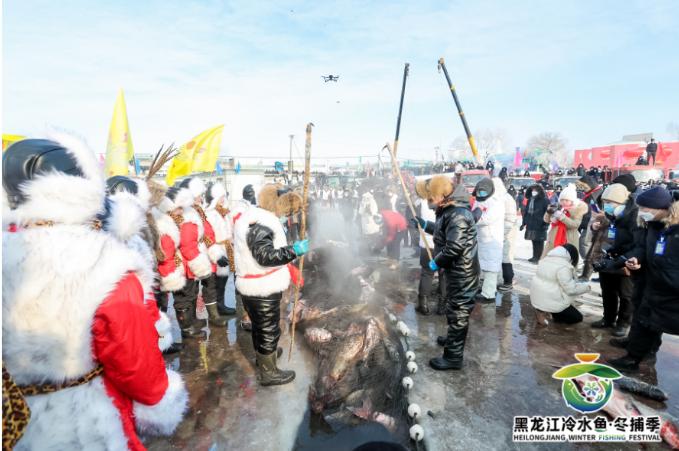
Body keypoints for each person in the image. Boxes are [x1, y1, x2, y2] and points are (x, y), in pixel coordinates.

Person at [2, 136, 188, 450]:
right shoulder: (105, 261)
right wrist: (160, 400)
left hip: (13, 418)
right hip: (85, 421)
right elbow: (133, 359)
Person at [233, 184, 308, 386]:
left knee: (262, 327)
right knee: (267, 329)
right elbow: (265, 256)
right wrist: (294, 251)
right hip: (261, 287)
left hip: (257, 284)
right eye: (287, 211)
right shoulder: (261, 223)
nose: (287, 216)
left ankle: (266, 355)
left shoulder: (256, 217)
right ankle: (269, 372)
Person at [608, 187, 679, 371]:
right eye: (640, 208)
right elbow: (642, 248)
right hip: (651, 283)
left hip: (671, 289)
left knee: (652, 323)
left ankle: (639, 355)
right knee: (644, 320)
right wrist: (636, 260)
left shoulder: (675, 230)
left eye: (646, 209)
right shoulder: (652, 226)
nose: (641, 213)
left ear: (662, 208)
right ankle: (634, 354)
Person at [414, 176, 480, 370]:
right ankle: (453, 339)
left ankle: (453, 357)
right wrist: (425, 224)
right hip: (456, 270)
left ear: (442, 196)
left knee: (459, 313)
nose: (428, 203)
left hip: (463, 273)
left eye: (430, 199)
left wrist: (436, 262)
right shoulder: (450, 210)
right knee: (454, 308)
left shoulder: (458, 214)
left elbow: (454, 247)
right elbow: (443, 232)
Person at [178, 178, 228, 328]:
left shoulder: (198, 211)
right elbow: (187, 241)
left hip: (203, 255)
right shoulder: (186, 214)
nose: (201, 197)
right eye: (198, 194)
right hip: (191, 259)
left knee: (209, 287)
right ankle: (190, 324)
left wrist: (216, 254)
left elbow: (206, 234)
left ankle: (212, 316)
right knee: (189, 292)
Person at [590, 184, 637, 337]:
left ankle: (623, 323)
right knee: (608, 291)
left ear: (621, 202)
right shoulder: (609, 216)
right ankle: (608, 319)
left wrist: (623, 257)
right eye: (605, 202)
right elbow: (600, 234)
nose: (607, 206)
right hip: (607, 258)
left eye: (611, 203)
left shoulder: (634, 216)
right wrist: (594, 227)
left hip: (626, 261)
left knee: (626, 295)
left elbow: (637, 242)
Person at [530, 244, 590, 324]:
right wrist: (587, 288)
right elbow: (571, 290)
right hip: (550, 299)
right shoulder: (564, 267)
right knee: (577, 318)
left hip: (537, 298)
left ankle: (542, 310)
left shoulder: (545, 259)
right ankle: (547, 312)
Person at [205, 182, 238, 316]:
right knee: (214, 284)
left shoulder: (223, 213)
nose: (223, 199)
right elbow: (207, 237)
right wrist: (216, 254)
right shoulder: (209, 214)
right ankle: (217, 308)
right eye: (220, 197)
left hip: (226, 248)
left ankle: (221, 305)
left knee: (223, 281)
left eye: (223, 196)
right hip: (216, 251)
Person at [472, 178, 505, 301]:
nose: (481, 194)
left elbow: (486, 219)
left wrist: (474, 218)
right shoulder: (478, 201)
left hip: (492, 239)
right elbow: (474, 213)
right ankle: (487, 288)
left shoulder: (496, 202)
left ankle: (488, 294)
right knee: (484, 265)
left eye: (483, 192)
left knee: (491, 266)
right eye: (479, 192)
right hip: (481, 238)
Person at [410, 192, 438, 315]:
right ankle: (441, 306)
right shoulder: (444, 200)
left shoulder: (421, 201)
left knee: (427, 273)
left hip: (429, 241)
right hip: (439, 242)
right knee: (442, 273)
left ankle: (423, 305)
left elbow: (412, 213)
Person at [542, 184, 588, 257]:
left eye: (567, 200)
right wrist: (548, 212)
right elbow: (546, 220)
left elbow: (575, 225)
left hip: (569, 239)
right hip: (554, 238)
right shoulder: (557, 207)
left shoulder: (577, 210)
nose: (564, 202)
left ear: (572, 201)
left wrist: (562, 217)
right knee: (552, 260)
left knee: (567, 261)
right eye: (562, 200)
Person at [576, 175, 604, 280]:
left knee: (585, 244)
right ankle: (589, 268)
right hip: (589, 223)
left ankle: (590, 266)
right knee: (587, 245)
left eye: (584, 186)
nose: (583, 188)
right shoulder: (590, 194)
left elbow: (592, 211)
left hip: (592, 223)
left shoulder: (596, 194)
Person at [495, 178, 518, 291]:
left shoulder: (506, 199)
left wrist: (503, 233)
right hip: (499, 232)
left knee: (506, 257)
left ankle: (508, 282)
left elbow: (510, 218)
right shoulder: (498, 198)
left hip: (507, 233)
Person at [521, 184, 549, 263]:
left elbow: (548, 213)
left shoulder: (545, 200)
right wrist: (523, 223)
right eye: (532, 190)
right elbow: (526, 212)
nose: (534, 192)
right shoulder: (530, 199)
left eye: (535, 191)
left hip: (541, 224)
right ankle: (534, 256)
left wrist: (546, 224)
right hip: (531, 223)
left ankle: (539, 257)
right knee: (534, 240)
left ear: (539, 191)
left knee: (539, 242)